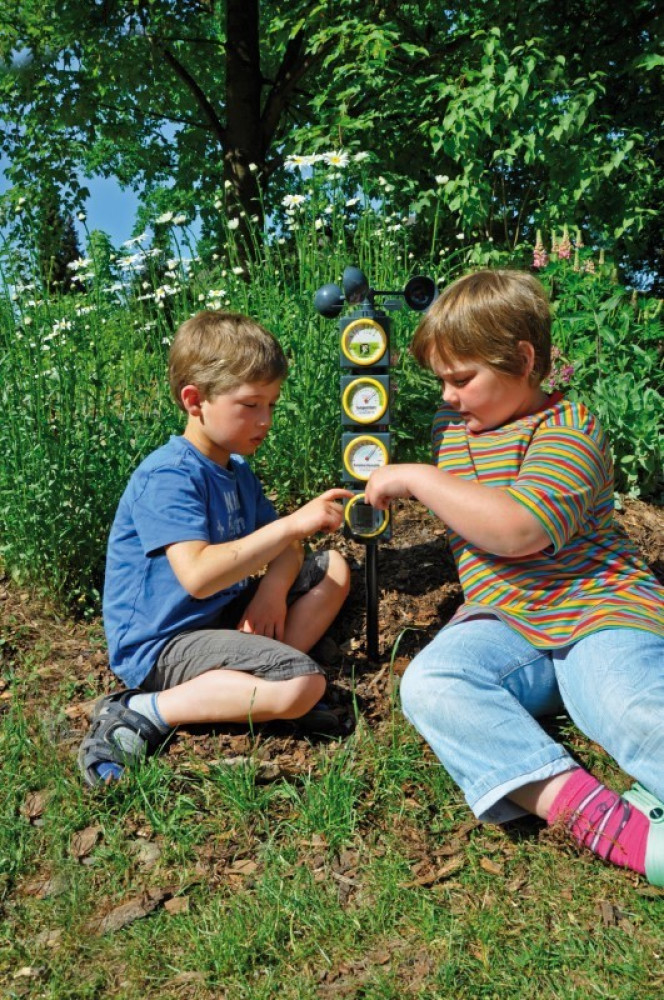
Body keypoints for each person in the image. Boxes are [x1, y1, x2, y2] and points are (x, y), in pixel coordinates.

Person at [364, 269, 664, 886]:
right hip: (505, 626)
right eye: (442, 380)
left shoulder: (569, 429)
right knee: (432, 684)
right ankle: (601, 820)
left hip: (598, 614)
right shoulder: (454, 438)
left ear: (523, 359)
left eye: (462, 378)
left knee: (631, 708)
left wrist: (418, 479)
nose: (448, 395)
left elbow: (521, 530)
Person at [79, 310, 352, 787]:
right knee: (303, 686)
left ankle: (249, 682)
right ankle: (142, 710)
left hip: (222, 617)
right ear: (195, 400)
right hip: (163, 644)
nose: (265, 420)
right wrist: (293, 523)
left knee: (334, 569)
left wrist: (271, 591)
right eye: (250, 404)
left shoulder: (235, 470)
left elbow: (288, 549)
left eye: (272, 404)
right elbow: (199, 576)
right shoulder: (169, 475)